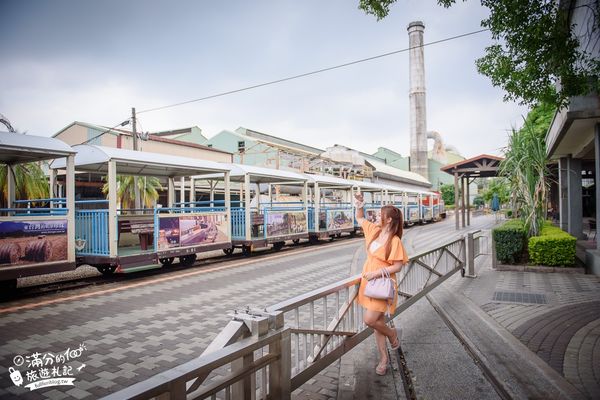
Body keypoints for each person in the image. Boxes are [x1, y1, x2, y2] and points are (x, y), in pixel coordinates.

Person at [354, 192, 409, 376]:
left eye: (380, 215)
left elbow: (398, 266)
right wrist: (359, 204)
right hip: (368, 284)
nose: (376, 216)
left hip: (382, 286)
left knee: (370, 320)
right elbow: (360, 217)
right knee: (377, 322)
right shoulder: (374, 231)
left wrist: (377, 273)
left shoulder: (395, 241)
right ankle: (384, 359)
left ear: (389, 220)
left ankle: (393, 334)